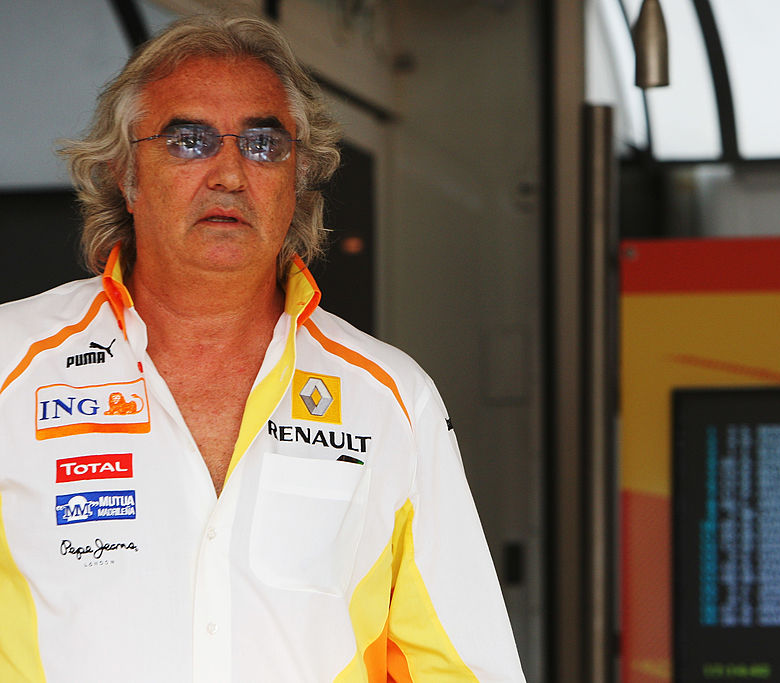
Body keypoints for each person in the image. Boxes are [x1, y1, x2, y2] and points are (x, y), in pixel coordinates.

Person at [0, 13, 525, 683]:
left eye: (262, 144)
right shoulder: (12, 364)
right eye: (188, 140)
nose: (228, 173)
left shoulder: (390, 400)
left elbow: (461, 668)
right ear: (125, 174)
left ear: (297, 178)